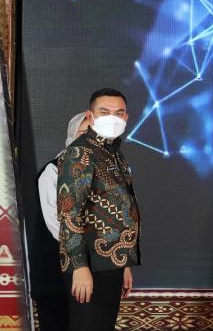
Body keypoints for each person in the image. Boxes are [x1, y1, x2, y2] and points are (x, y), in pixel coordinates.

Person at [57, 88, 141, 331]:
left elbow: (121, 211)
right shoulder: (79, 152)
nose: (112, 118)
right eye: (104, 112)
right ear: (90, 115)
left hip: (111, 263)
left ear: (126, 117)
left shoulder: (115, 154)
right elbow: (69, 212)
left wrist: (124, 263)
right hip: (89, 263)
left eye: (119, 113)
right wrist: (79, 267)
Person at [29, 113, 89, 331]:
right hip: (55, 274)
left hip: (89, 272)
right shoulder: (54, 170)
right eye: (84, 133)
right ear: (72, 134)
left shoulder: (104, 172)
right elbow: (58, 226)